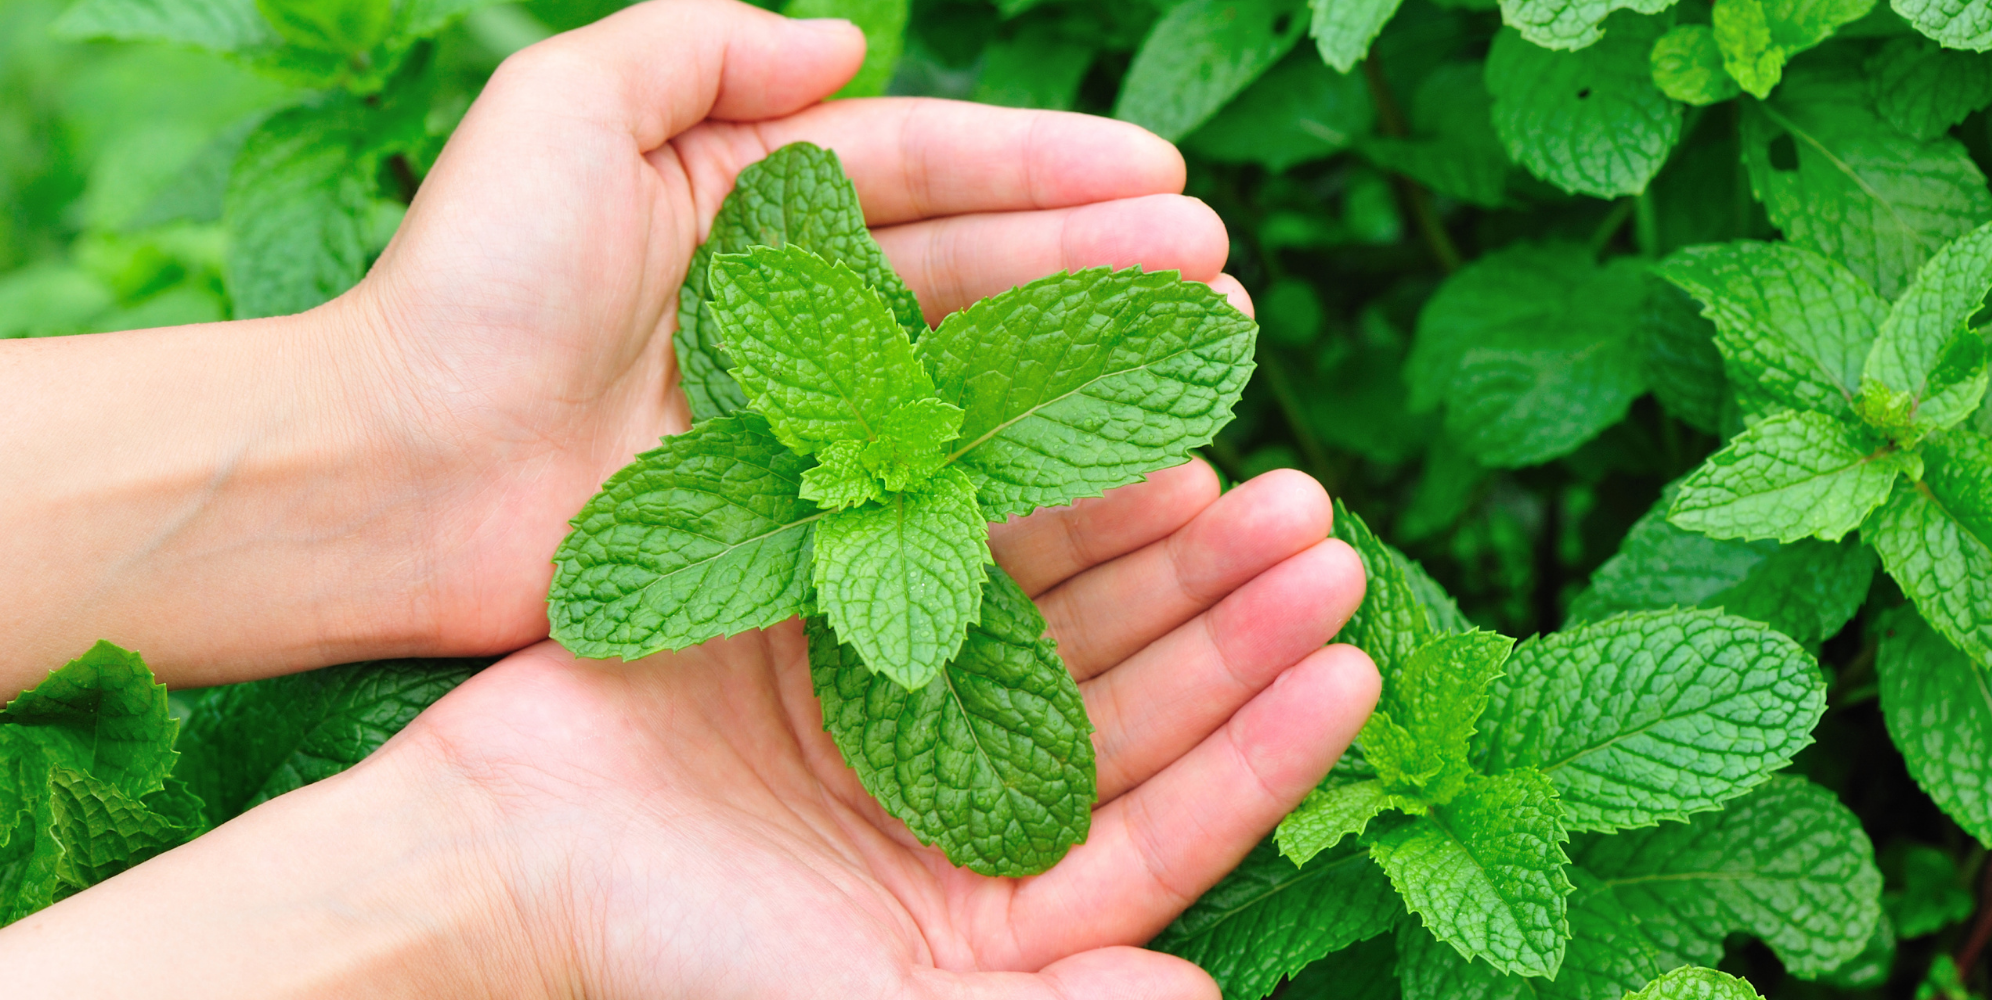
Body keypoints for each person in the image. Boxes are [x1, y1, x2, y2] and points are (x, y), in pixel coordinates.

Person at [0, 2, 1377, 995]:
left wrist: (391, 425)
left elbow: (1113, 388)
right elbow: (691, 580)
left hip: (882, 492)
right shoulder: (824, 478)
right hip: (851, 487)